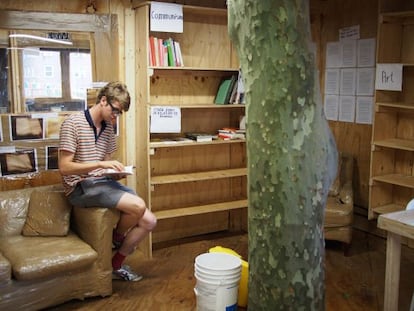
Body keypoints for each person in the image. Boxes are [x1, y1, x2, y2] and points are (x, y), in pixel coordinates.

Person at [58, 81, 157, 281]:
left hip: (101, 182)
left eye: (119, 113)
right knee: (138, 205)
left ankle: (115, 265)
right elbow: (64, 167)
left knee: (149, 221)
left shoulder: (109, 129)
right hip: (79, 187)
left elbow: (105, 167)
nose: (116, 117)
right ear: (103, 101)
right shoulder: (73, 123)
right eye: (115, 111)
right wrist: (100, 165)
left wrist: (115, 172)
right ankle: (117, 239)